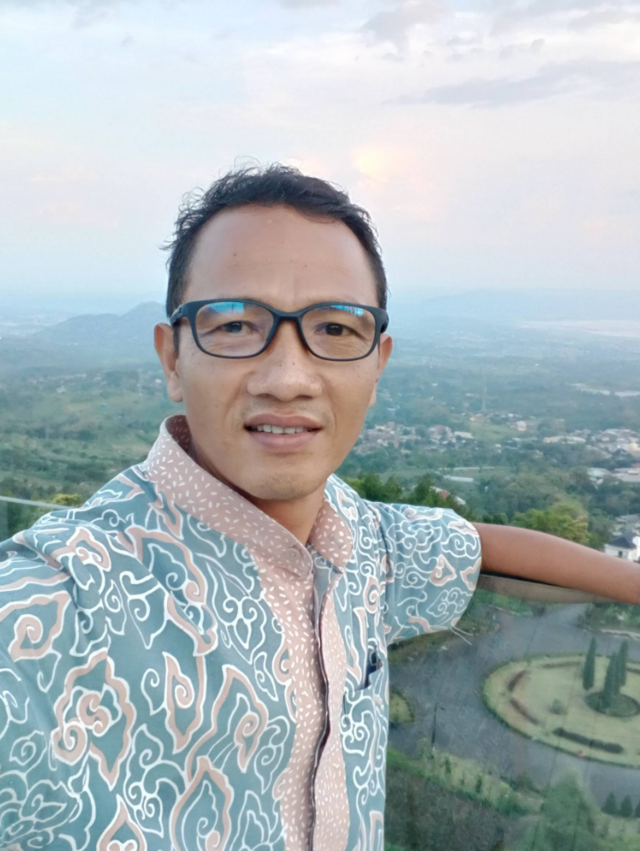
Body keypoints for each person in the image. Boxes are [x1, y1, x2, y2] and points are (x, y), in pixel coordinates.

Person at [0, 164, 638, 851]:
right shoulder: (51, 612)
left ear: (377, 364)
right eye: (236, 324)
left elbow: (486, 551)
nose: (288, 378)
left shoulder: (361, 543)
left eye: (334, 328)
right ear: (172, 358)